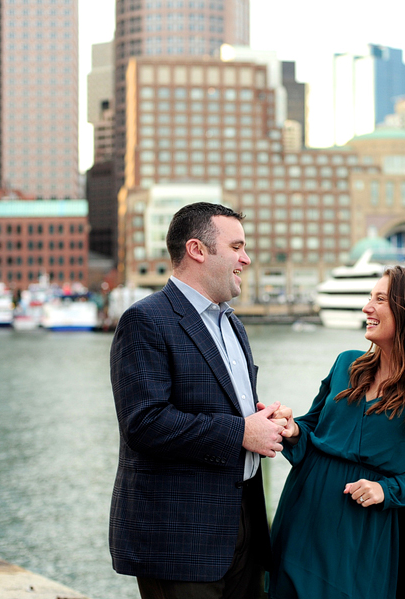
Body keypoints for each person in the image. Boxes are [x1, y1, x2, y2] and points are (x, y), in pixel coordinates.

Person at [109, 202, 287, 599]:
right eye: (237, 246)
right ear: (197, 250)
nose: (247, 257)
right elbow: (144, 423)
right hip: (180, 539)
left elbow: (230, 410)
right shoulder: (145, 320)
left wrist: (265, 420)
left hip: (243, 526)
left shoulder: (233, 324)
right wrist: (241, 431)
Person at [268, 266, 405, 599]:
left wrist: (385, 490)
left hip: (361, 526)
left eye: (380, 299)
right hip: (304, 510)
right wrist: (292, 428)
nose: (366, 308)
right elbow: (311, 426)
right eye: (369, 298)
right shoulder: (345, 363)